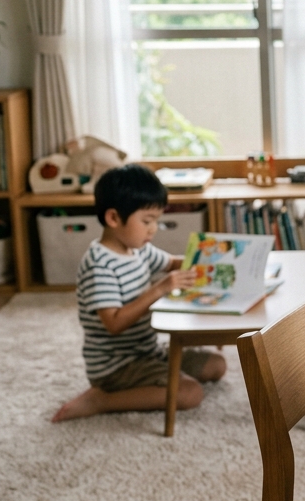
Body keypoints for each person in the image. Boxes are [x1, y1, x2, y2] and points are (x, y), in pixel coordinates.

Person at [52, 164, 226, 422]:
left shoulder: (138, 248)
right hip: (116, 365)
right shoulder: (101, 265)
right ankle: (102, 400)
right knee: (190, 393)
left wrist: (209, 259)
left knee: (216, 364)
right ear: (113, 218)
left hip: (146, 350)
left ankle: (144, 381)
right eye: (147, 221)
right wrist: (161, 288)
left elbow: (172, 263)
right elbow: (114, 323)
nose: (153, 228)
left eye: (156, 220)